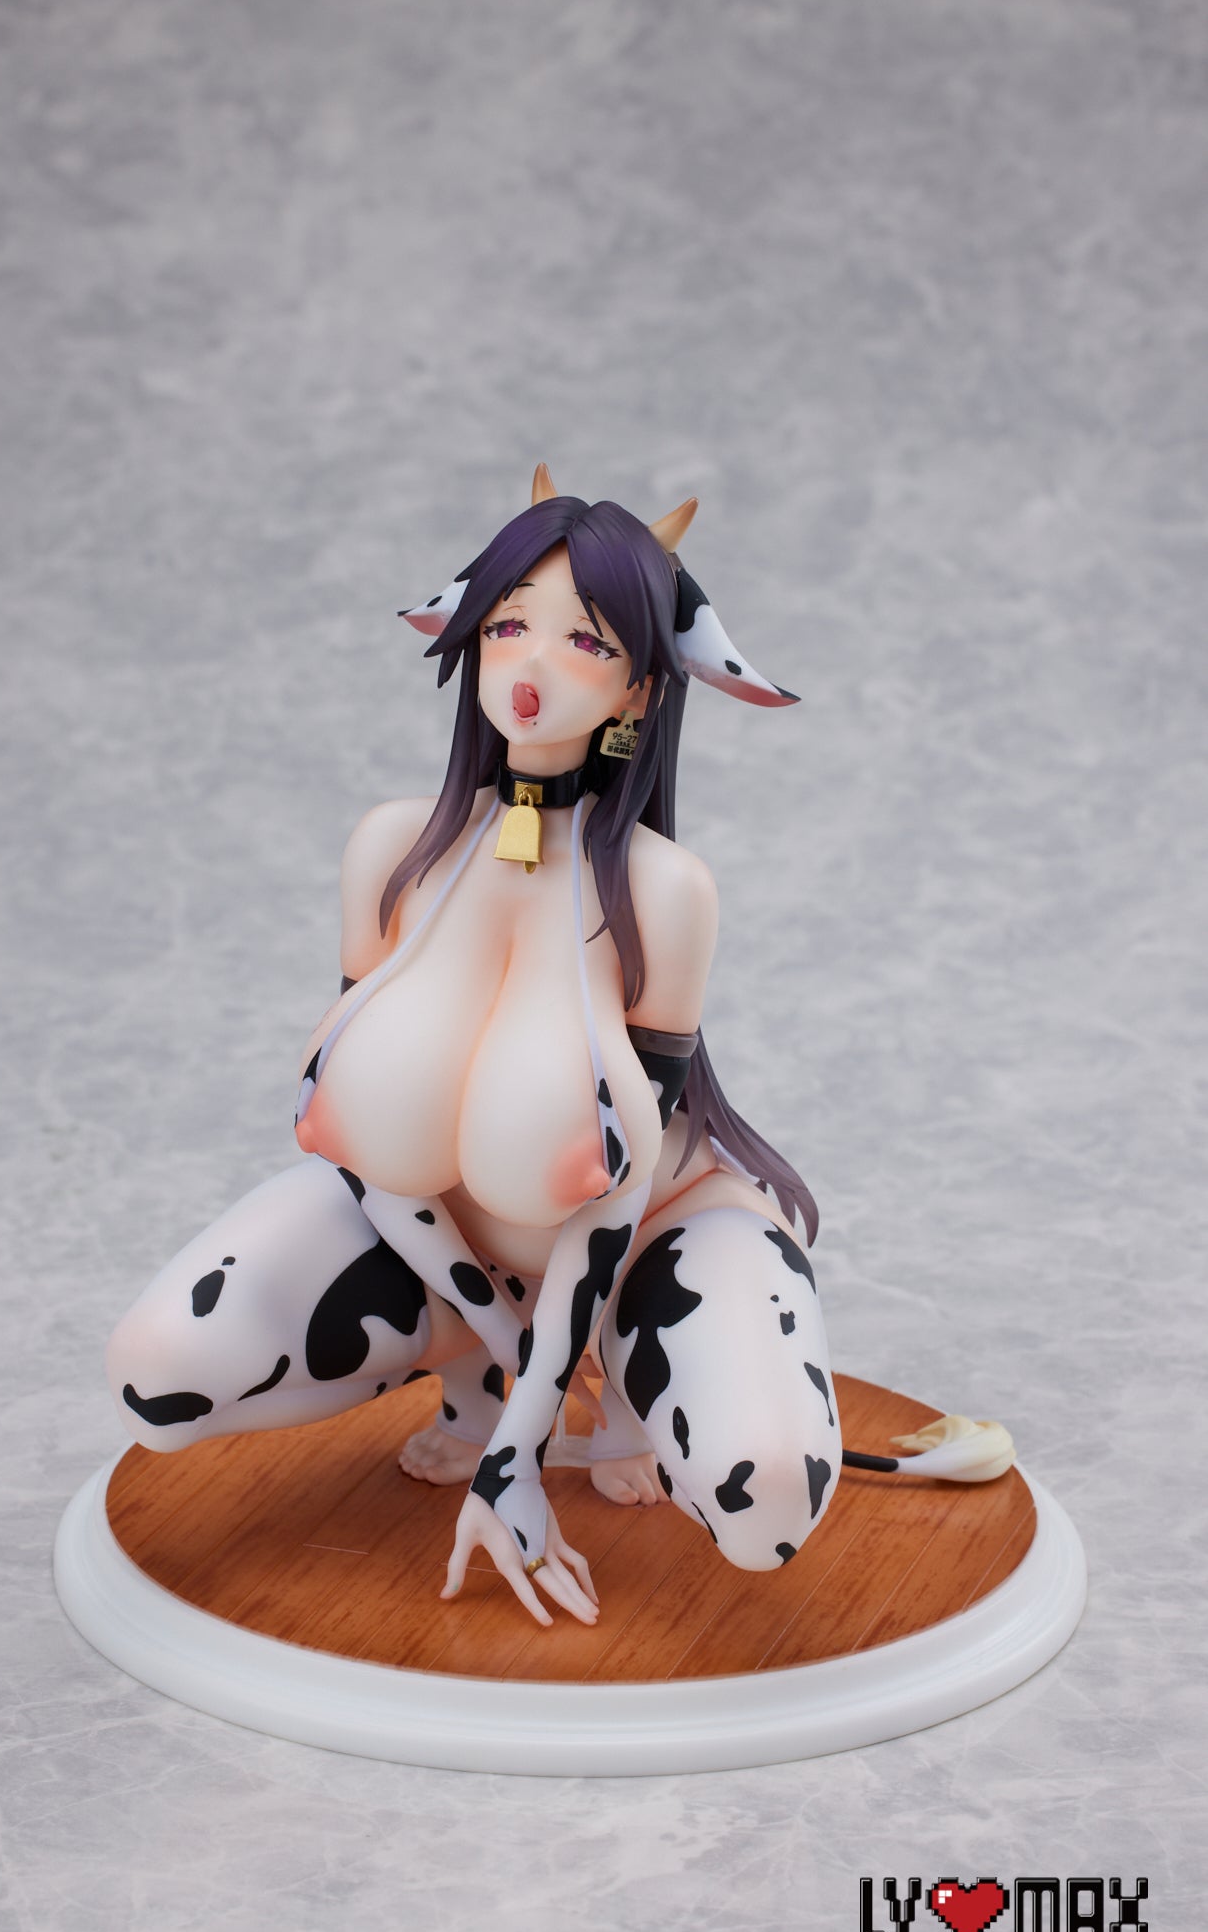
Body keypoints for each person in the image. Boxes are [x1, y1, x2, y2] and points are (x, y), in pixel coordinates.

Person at [106, 468, 844, 1631]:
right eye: (506, 623)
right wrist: (504, 1347)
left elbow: (614, 1193)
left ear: (639, 688)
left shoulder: (663, 892)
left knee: (770, 1502)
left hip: (639, 1245)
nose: (530, 663)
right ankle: (474, 1374)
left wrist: (522, 1442)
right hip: (439, 1257)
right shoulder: (393, 852)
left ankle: (624, 1397)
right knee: (156, 1371)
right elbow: (366, 1148)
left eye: (584, 640)